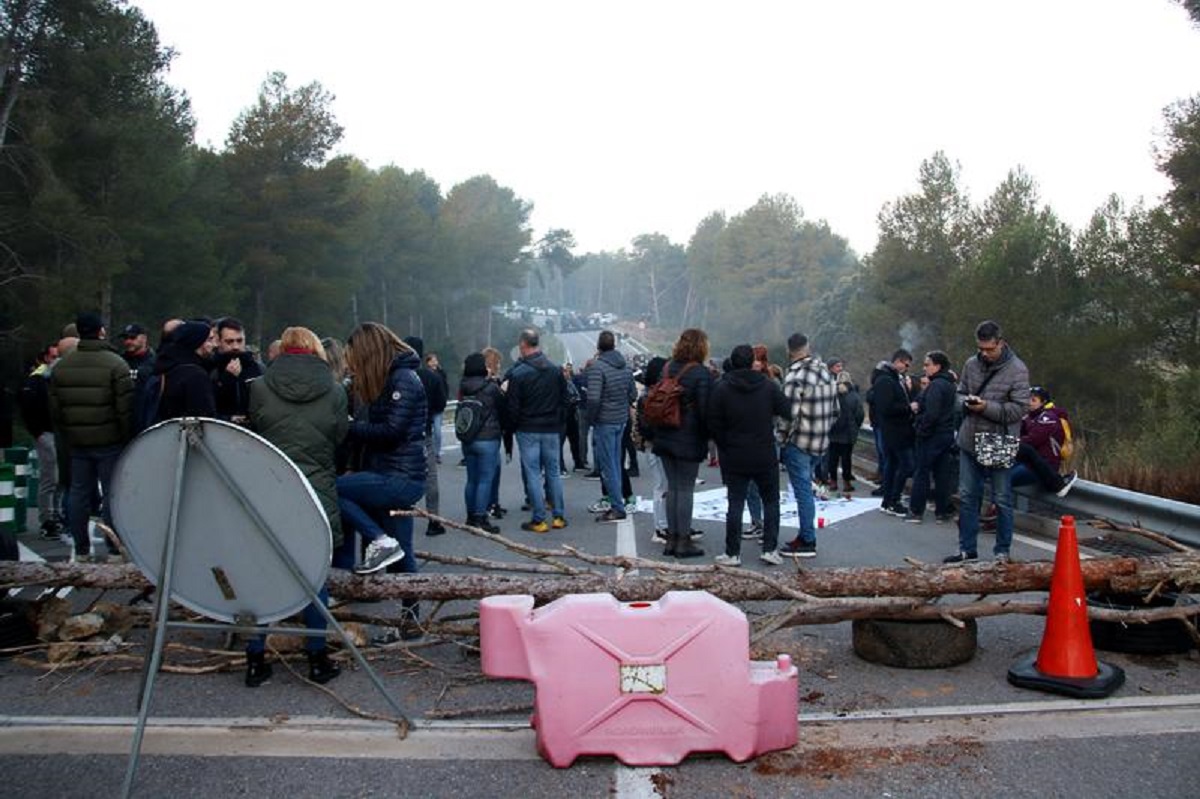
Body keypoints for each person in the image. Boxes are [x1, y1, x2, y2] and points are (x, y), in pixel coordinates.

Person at [245, 327, 347, 688]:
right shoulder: (335, 391)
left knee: (262, 571)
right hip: (315, 486)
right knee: (314, 574)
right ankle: (317, 657)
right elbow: (338, 438)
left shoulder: (258, 387)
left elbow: (255, 432)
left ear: (282, 351)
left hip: (269, 485)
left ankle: (255, 657)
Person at [337, 322, 427, 575]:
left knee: (329, 490)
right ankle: (411, 614)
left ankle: (379, 539)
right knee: (403, 555)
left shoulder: (402, 379)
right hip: (393, 473)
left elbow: (392, 431)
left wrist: (349, 427)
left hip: (398, 478)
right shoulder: (393, 378)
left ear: (366, 352)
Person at [47, 313, 135, 561]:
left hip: (77, 441)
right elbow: (124, 409)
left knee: (78, 494)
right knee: (111, 495)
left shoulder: (61, 367)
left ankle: (82, 549)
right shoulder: (116, 364)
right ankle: (114, 548)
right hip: (109, 440)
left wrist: (67, 434)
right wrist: (126, 437)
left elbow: (56, 410)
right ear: (101, 332)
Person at [945, 320, 1031, 564]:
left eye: (989, 349)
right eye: (981, 348)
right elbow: (959, 393)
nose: (984, 353)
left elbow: (1019, 409)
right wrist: (965, 402)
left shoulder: (1017, 370)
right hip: (970, 439)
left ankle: (1002, 551)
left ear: (1001, 343)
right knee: (967, 496)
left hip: (998, 440)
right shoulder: (971, 364)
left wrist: (986, 408)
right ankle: (966, 549)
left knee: (1002, 498)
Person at [707, 344, 791, 566]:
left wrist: (724, 444)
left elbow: (712, 422)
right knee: (771, 502)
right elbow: (787, 410)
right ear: (752, 361)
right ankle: (770, 548)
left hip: (734, 453)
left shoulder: (721, 387)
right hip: (764, 451)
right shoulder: (768, 385)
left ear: (733, 363)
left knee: (735, 503)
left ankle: (732, 553)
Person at [650, 328, 713, 558]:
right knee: (686, 489)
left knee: (673, 488)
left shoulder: (666, 368)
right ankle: (684, 540)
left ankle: (672, 538)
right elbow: (706, 410)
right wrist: (709, 437)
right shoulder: (701, 374)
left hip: (665, 434)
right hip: (689, 436)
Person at [778, 333, 838, 559]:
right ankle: (806, 535)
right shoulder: (825, 371)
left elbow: (788, 414)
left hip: (800, 441)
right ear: (808, 347)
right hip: (820, 441)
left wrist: (782, 438)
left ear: (789, 350)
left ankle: (807, 539)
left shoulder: (794, 376)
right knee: (807, 488)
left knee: (802, 491)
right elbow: (835, 409)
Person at [505, 328, 569, 533]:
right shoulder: (554, 370)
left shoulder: (518, 374)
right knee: (554, 472)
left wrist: (512, 427)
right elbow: (564, 400)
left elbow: (512, 407)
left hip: (528, 428)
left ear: (523, 345)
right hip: (551, 428)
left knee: (533, 473)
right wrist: (559, 423)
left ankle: (539, 518)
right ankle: (558, 516)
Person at [585, 330, 637, 523]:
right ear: (614, 345)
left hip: (604, 421)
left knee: (608, 466)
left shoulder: (598, 368)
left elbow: (593, 398)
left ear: (598, 346)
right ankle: (619, 502)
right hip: (620, 419)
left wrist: (591, 419)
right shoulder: (625, 367)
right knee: (616, 462)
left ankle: (617, 506)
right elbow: (632, 394)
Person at [18, 344, 64, 539]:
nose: (55, 360)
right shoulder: (36, 380)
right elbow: (27, 408)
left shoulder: (57, 377)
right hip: (45, 433)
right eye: (53, 357)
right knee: (49, 478)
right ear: (45, 357)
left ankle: (56, 513)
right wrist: (37, 433)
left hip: (60, 433)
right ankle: (46, 519)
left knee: (60, 477)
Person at [906, 350, 957, 523]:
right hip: (946, 434)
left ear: (937, 366)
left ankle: (915, 511)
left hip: (932, 435)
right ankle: (942, 511)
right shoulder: (950, 385)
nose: (924, 368)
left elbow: (932, 413)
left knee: (922, 472)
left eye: (927, 364)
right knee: (942, 474)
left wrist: (921, 429)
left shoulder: (936, 386)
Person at [404, 337, 447, 536]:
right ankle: (434, 520)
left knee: (401, 475)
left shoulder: (397, 376)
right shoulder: (431, 377)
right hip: (424, 431)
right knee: (430, 477)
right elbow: (440, 404)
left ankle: (400, 518)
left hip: (401, 434)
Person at [459, 352, 505, 533]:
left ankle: (470, 516)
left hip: (468, 437)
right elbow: (502, 407)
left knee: (471, 479)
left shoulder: (463, 388)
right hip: (488, 437)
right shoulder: (491, 387)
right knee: (485, 479)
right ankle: (481, 517)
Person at [1012, 385, 1077, 496]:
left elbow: (1033, 440)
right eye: (1027, 399)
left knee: (1006, 477)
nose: (1029, 402)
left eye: (1033, 400)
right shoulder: (1028, 417)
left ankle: (998, 508)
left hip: (1045, 466)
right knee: (998, 474)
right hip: (1028, 463)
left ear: (1043, 402)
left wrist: (1011, 441)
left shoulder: (1048, 418)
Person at [873, 348, 916, 516]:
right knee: (906, 465)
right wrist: (908, 407)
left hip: (896, 430)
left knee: (892, 465)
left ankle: (888, 500)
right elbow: (886, 407)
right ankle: (894, 499)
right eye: (905, 365)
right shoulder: (885, 381)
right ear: (898, 361)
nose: (907, 368)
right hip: (895, 431)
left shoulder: (893, 379)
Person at [156, 320, 219, 420]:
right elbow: (204, 419)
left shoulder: (165, 367)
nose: (215, 345)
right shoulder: (196, 376)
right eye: (210, 339)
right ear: (197, 342)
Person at [212, 317, 263, 422]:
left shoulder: (256, 368)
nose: (235, 346)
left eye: (239, 341)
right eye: (229, 342)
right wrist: (227, 379)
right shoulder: (211, 368)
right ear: (219, 341)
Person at [826, 369, 864, 496]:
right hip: (848, 432)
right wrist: (855, 426)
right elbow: (860, 414)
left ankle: (833, 482)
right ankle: (847, 483)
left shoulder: (832, 395)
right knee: (846, 458)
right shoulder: (854, 396)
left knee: (833, 458)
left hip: (833, 431)